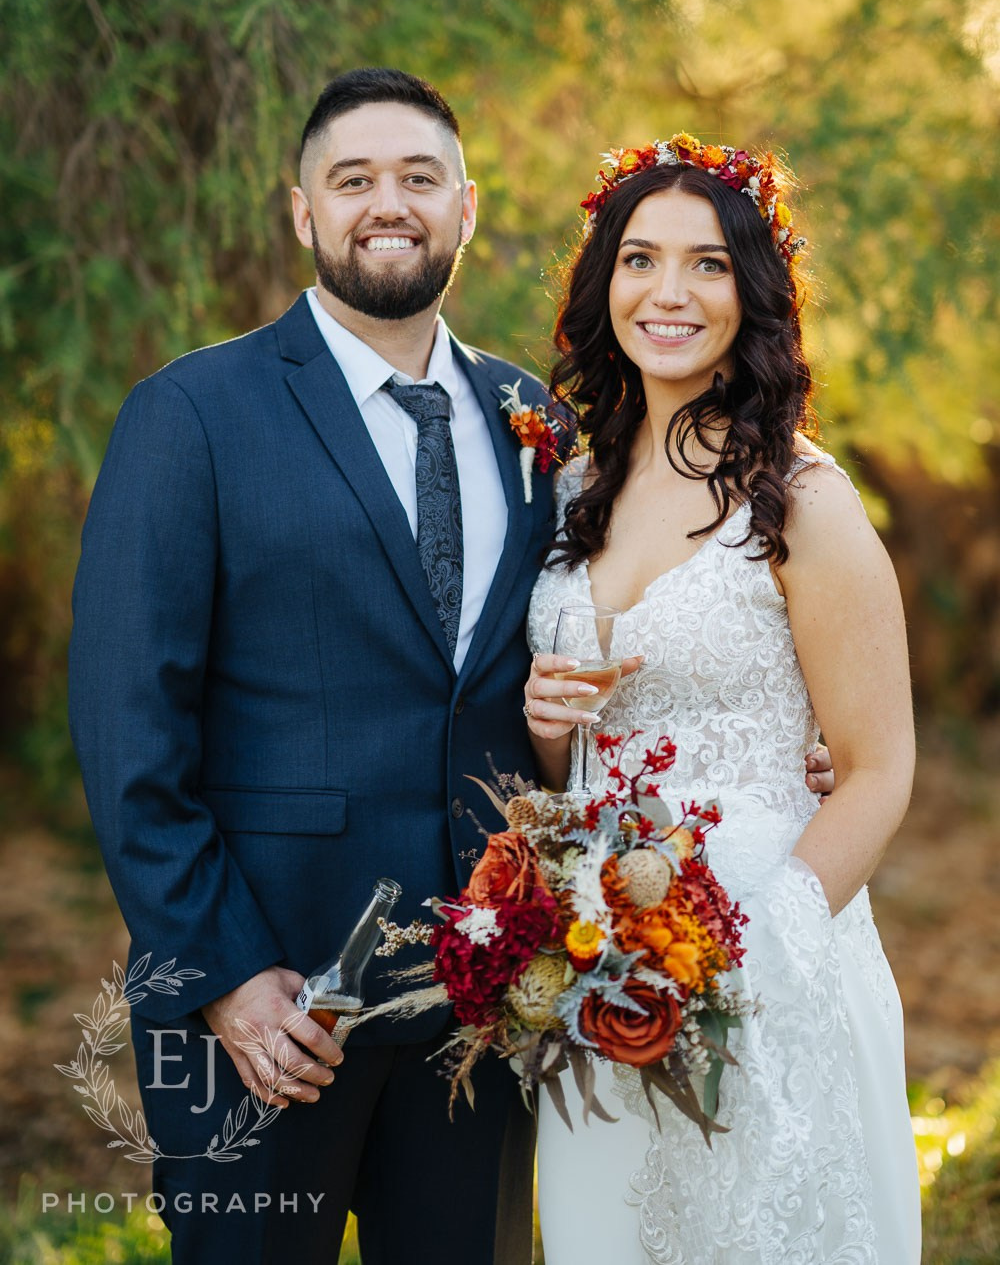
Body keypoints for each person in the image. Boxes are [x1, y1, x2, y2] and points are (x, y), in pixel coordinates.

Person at [69, 78, 833, 1265]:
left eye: (419, 179)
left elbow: (599, 644)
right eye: (353, 180)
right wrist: (222, 977)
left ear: (465, 208)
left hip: (491, 1003)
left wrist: (795, 731)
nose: (389, 205)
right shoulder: (192, 415)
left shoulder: (538, 424)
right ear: (302, 213)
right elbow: (129, 735)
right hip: (274, 1002)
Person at [523, 135, 921, 1263]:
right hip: (597, 969)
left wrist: (754, 953)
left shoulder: (800, 496)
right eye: (640, 259)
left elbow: (879, 765)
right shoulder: (570, 487)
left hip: (764, 947)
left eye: (706, 264)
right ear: (604, 285)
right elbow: (575, 764)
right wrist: (553, 736)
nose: (669, 292)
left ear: (752, 292)